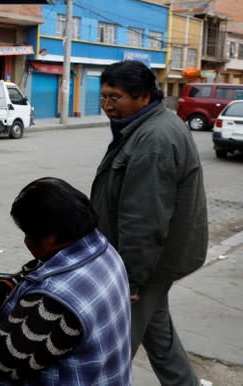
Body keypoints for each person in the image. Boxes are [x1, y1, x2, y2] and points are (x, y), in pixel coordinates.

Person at [90, 60, 208, 386]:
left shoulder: (152, 141)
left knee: (114, 349)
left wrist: (131, 281)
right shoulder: (146, 125)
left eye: (115, 98)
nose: (107, 106)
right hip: (157, 260)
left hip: (148, 265)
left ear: (143, 97)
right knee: (159, 337)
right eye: (103, 97)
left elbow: (143, 220)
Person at [0, 177, 131, 386]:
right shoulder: (102, 249)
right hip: (103, 374)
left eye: (29, 234)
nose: (26, 241)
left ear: (51, 237)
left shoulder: (55, 302)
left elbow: (0, 362)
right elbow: (33, 270)